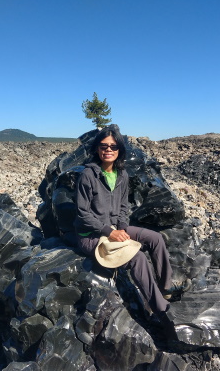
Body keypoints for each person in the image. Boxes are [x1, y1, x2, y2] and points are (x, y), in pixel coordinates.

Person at [74, 125, 190, 343]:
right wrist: (110, 232)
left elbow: (124, 207)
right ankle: (161, 311)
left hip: (113, 228)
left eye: (113, 146)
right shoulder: (88, 176)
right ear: (97, 148)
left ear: (119, 149)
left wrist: (121, 227)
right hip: (91, 235)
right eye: (103, 146)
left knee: (155, 238)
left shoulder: (122, 174)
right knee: (136, 258)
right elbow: (82, 215)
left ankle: (165, 287)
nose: (108, 150)